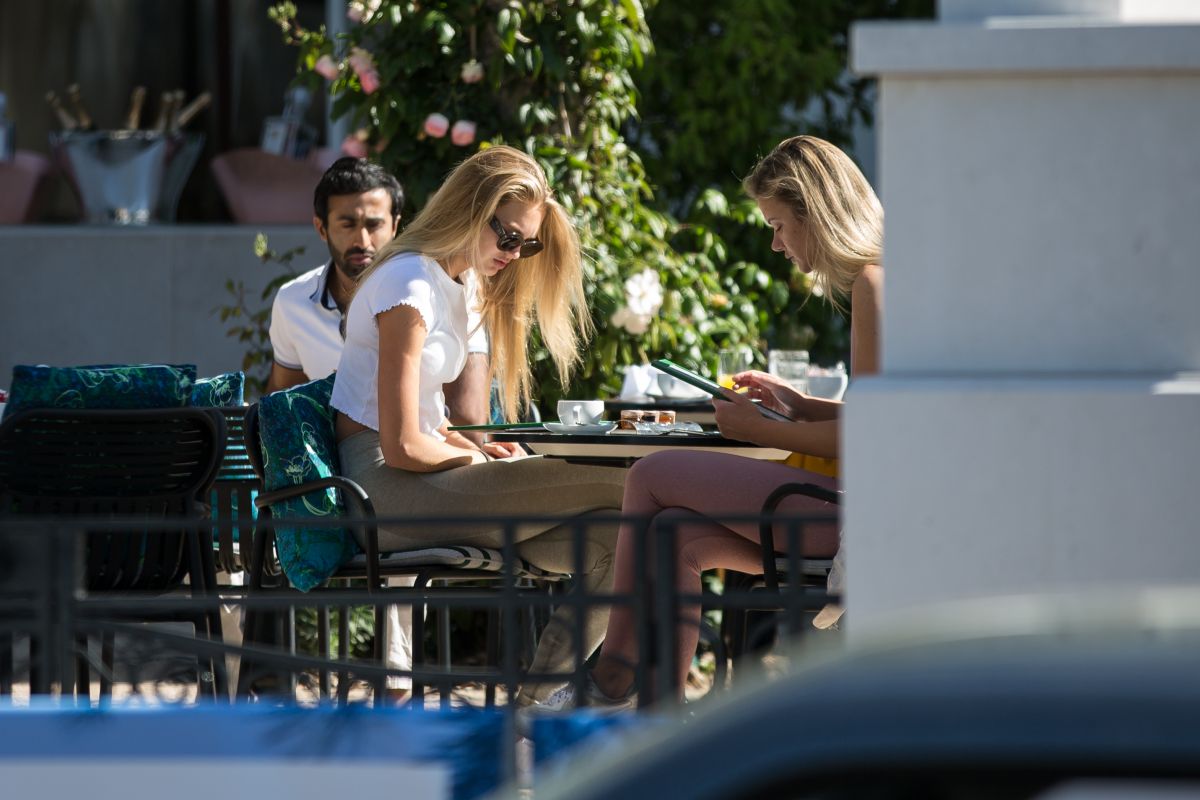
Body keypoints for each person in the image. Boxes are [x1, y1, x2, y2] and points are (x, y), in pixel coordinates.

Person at [543, 135, 883, 709]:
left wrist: (766, 431)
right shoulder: (883, 280)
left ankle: (612, 676)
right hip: (861, 509)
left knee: (651, 474)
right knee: (675, 532)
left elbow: (880, 437)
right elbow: (888, 416)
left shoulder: (873, 284)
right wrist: (798, 404)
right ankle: (657, 716)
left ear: (816, 214)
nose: (775, 244)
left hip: (866, 519)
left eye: (778, 225)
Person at [329, 145, 627, 705]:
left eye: (527, 243)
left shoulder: (455, 284)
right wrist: (473, 457)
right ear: (469, 208)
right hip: (383, 494)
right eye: (508, 236)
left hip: (427, 482)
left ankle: (532, 708)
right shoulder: (409, 286)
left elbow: (430, 424)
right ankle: (629, 687)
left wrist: (476, 449)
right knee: (635, 484)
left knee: (622, 537)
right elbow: (399, 446)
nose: (515, 254)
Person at [264, 157, 489, 701]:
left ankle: (396, 675)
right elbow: (278, 402)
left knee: (400, 484)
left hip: (411, 456)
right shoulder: (294, 303)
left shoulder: (446, 289)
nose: (362, 237)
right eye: (347, 223)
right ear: (321, 228)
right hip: (331, 475)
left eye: (374, 224)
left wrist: (473, 450)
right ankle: (275, 677)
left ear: (396, 224)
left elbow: (471, 415)